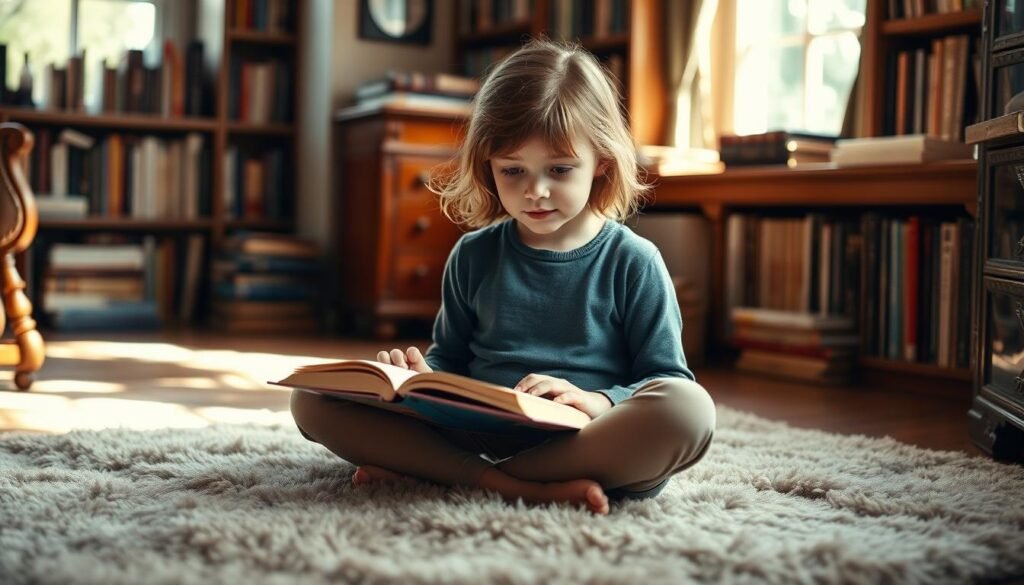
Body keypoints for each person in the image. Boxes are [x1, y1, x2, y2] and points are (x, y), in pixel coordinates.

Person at [291, 40, 716, 515]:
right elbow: (449, 360)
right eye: (513, 170)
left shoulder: (634, 260)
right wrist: (417, 379)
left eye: (559, 169)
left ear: (602, 162)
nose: (535, 190)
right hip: (475, 432)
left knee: (689, 410)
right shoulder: (474, 254)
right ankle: (511, 484)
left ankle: (453, 474)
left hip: (585, 441)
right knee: (310, 400)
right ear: (487, 166)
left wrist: (598, 401)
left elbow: (665, 377)